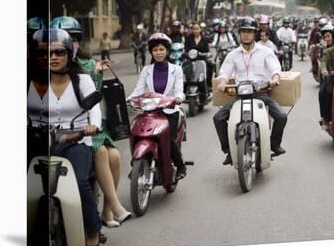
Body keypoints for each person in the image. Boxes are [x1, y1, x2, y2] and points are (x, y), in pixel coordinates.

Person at [49, 16, 131, 229]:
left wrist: (96, 72)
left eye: (72, 39)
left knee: (113, 155)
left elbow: (93, 99)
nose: (57, 53)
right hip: (57, 132)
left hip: (87, 128)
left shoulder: (86, 64)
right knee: (104, 153)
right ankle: (113, 206)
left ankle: (107, 209)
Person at [27, 29, 103, 246]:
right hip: (39, 139)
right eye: (47, 53)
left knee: (79, 181)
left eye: (59, 51)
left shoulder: (82, 79)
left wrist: (92, 127)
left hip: (75, 140)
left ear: (69, 54)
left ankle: (93, 229)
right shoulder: (30, 81)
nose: (53, 57)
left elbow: (95, 107)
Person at [213, 17, 286, 165]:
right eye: (243, 32)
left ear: (255, 34)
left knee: (281, 116)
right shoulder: (232, 54)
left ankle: (274, 144)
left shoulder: (266, 52)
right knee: (218, 118)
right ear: (239, 34)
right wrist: (222, 82)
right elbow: (224, 73)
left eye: (249, 32)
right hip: (241, 96)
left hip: (261, 94)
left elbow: (275, 69)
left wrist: (274, 78)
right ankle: (229, 151)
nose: (246, 35)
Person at [127, 33, 187, 179]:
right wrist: (130, 99)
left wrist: (178, 98)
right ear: (151, 52)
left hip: (170, 110)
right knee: (136, 131)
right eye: (155, 50)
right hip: (151, 111)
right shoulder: (146, 70)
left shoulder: (176, 69)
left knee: (168, 139)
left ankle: (180, 166)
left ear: (167, 51)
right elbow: (138, 90)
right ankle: (138, 162)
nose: (158, 53)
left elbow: (179, 90)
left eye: (161, 49)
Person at [185, 22, 213, 89]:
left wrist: (207, 54)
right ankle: (184, 86)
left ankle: (208, 85)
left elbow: (207, 50)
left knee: (211, 65)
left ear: (200, 29)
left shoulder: (205, 39)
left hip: (202, 59)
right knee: (183, 67)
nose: (195, 30)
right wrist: (187, 54)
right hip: (190, 59)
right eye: (194, 29)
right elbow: (186, 49)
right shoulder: (188, 38)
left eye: (197, 29)